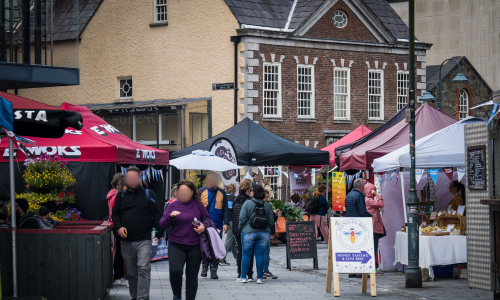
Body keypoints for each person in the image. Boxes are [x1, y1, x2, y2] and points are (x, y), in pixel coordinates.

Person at [112, 167, 164, 300]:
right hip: (126, 240)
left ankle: (143, 297)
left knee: (143, 268)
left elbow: (157, 214)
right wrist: (118, 227)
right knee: (132, 272)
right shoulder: (120, 195)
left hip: (144, 240)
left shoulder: (148, 194)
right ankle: (135, 296)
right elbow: (115, 214)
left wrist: (159, 233)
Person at [159, 180, 209, 300]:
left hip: (195, 245)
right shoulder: (172, 205)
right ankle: (177, 295)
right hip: (176, 244)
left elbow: (207, 219)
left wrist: (203, 227)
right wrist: (170, 216)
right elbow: (162, 224)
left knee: (192, 275)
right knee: (175, 271)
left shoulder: (198, 205)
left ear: (192, 192)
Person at [237, 184, 275, 284]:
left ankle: (243, 277)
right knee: (260, 254)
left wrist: (242, 228)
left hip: (248, 232)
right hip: (263, 233)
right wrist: (267, 228)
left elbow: (242, 218)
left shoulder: (247, 203)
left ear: (253, 192)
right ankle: (259, 278)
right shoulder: (267, 205)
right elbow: (271, 220)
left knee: (246, 254)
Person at [199, 171, 229, 279]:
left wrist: (226, 223)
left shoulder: (222, 193)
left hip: (217, 224)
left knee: (216, 247)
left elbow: (225, 209)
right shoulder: (201, 191)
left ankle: (214, 270)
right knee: (204, 245)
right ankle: (204, 265)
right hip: (204, 224)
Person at [344, 178, 371, 278]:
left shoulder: (349, 195)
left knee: (352, 249)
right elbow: (362, 211)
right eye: (363, 185)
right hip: (359, 225)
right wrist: (370, 217)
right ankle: (361, 272)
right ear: (361, 186)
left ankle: (352, 271)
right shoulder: (359, 196)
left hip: (350, 225)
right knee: (361, 249)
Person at [231, 178, 255, 281]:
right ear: (248, 188)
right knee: (249, 252)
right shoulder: (249, 201)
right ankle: (249, 274)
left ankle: (240, 273)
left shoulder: (236, 199)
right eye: (251, 187)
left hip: (236, 229)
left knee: (240, 251)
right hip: (246, 229)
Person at [107, 173, 127, 286]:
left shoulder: (112, 194)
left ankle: (120, 276)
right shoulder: (116, 196)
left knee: (120, 251)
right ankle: (118, 277)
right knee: (120, 251)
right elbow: (116, 213)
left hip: (115, 225)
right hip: (117, 225)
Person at [364, 183, 384, 256]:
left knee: (372, 246)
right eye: (374, 190)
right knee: (374, 246)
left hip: (372, 225)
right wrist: (376, 195)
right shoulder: (369, 200)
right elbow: (381, 204)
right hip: (373, 226)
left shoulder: (366, 199)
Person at [262, 189, 278, 279]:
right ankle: (265, 271)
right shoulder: (267, 205)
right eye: (265, 197)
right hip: (265, 231)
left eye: (267, 197)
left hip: (253, 231)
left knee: (258, 253)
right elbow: (271, 220)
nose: (266, 199)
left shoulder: (251, 203)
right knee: (265, 252)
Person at [221, 183, 237, 266]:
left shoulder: (224, 198)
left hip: (225, 221)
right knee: (229, 240)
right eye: (235, 189)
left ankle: (238, 258)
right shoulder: (234, 198)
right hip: (232, 221)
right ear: (232, 190)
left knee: (232, 241)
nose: (236, 190)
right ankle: (222, 258)